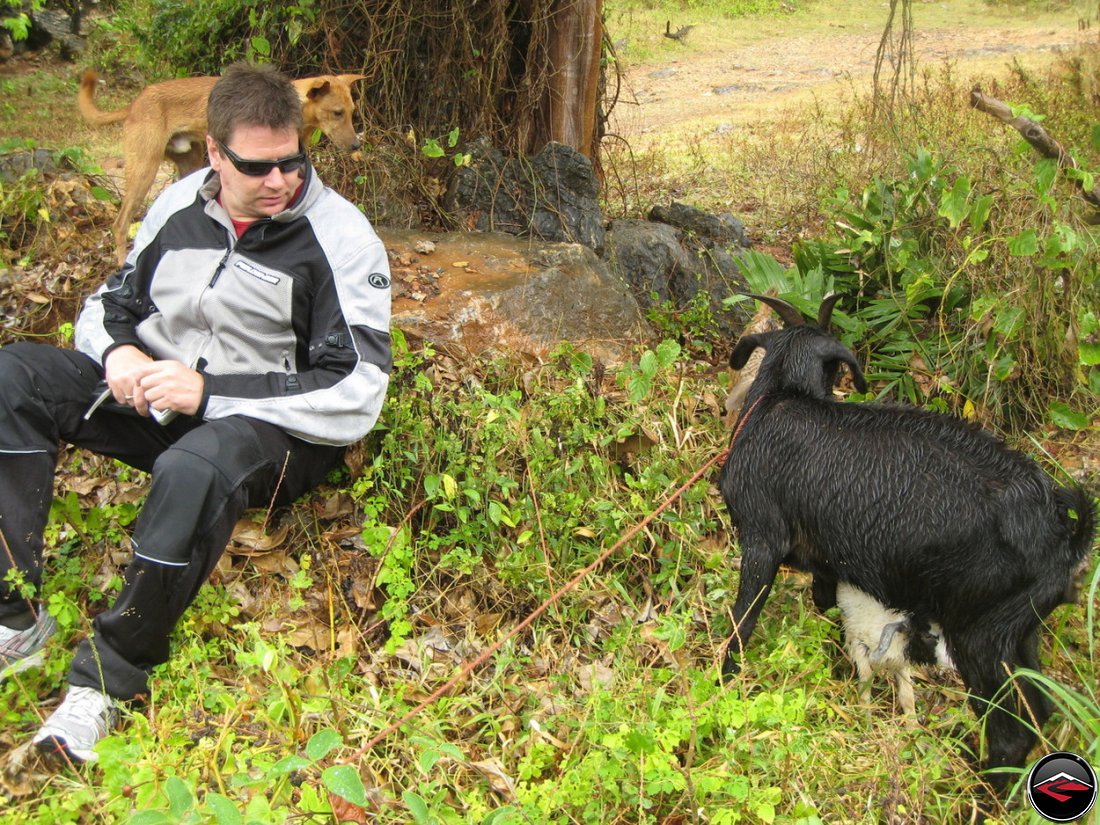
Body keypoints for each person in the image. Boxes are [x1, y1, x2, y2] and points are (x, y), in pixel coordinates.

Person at [0, 62, 392, 763]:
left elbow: (358, 388)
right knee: (10, 376)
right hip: (159, 397)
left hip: (273, 430)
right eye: (256, 166)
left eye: (291, 162)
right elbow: (107, 304)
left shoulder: (343, 237)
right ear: (214, 152)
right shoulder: (179, 204)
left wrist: (210, 394)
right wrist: (117, 354)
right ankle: (12, 618)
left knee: (191, 464)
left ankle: (105, 683)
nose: (280, 181)